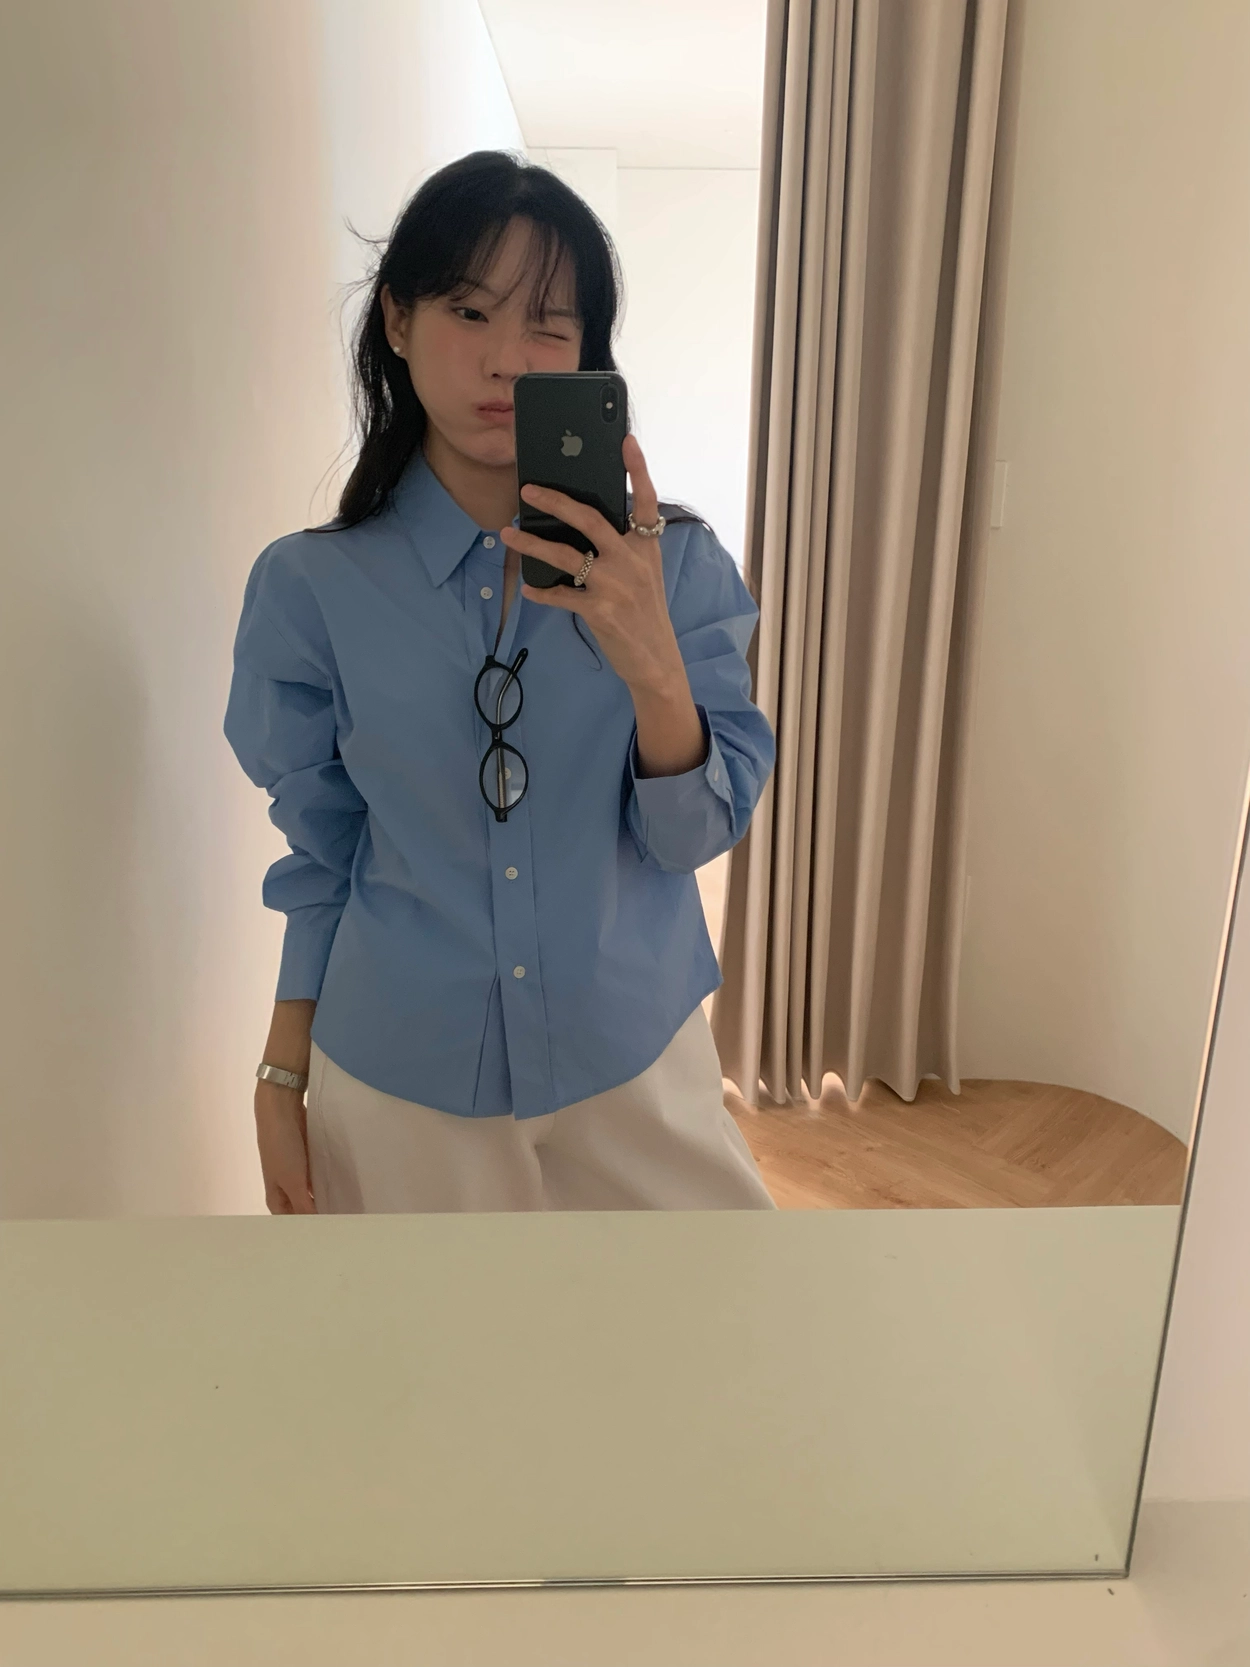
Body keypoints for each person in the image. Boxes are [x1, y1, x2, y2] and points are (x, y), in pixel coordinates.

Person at [224, 149, 777, 1215]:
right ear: (397, 319)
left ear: (586, 353)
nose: (505, 361)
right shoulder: (309, 590)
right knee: (421, 1334)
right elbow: (323, 853)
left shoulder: (677, 570)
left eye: (548, 327)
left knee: (719, 1313)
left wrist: (654, 668)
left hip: (635, 1065)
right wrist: (280, 1074)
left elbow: (690, 840)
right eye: (469, 312)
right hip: (401, 1087)